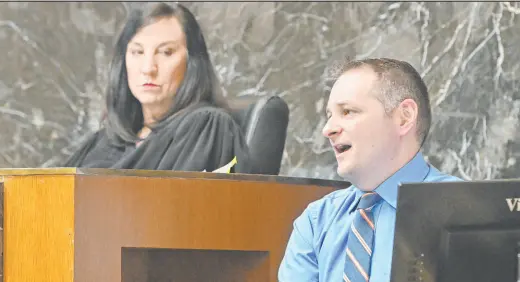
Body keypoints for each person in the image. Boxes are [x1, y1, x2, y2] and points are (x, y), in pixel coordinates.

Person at [278, 58, 462, 282]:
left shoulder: (466, 211)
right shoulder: (316, 222)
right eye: (329, 116)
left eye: (347, 112)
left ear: (404, 117)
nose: (328, 129)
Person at [63, 3, 255, 173]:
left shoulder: (207, 126)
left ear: (192, 63)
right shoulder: (107, 140)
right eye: (137, 52)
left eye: (166, 52)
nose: (148, 68)